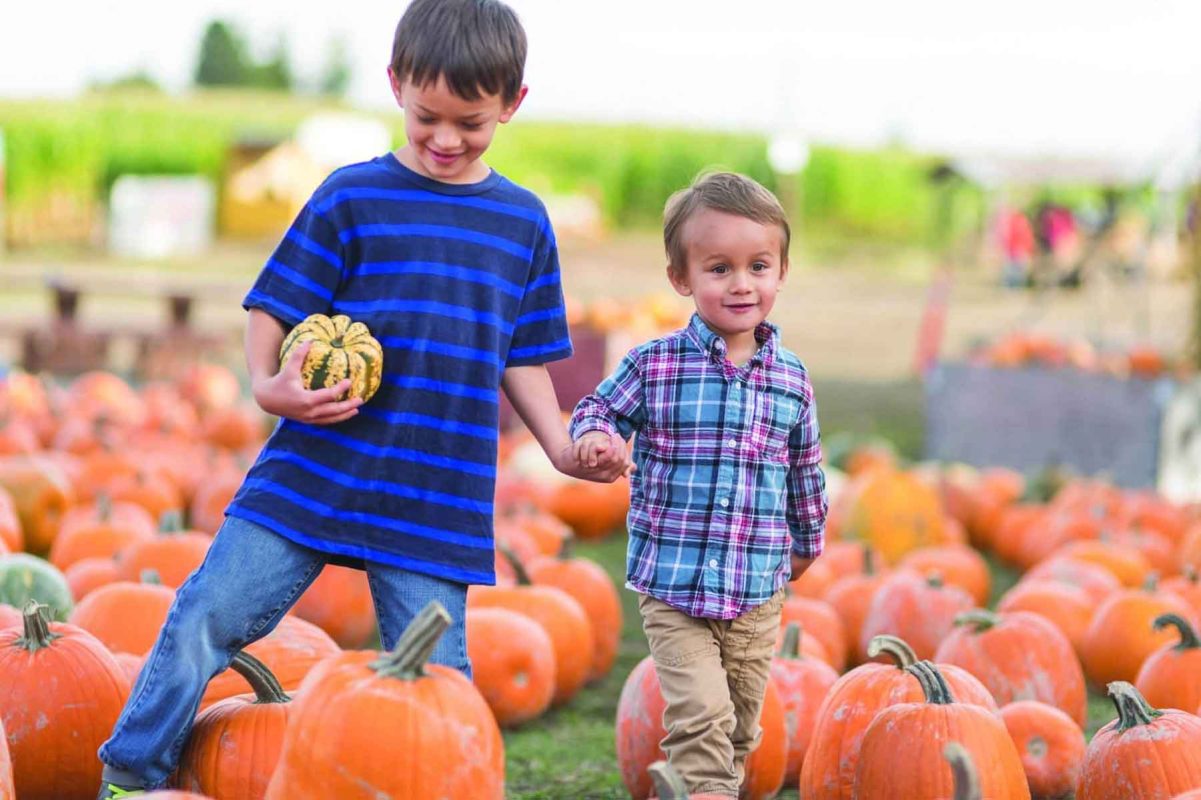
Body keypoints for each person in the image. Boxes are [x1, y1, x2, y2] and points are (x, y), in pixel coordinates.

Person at [95, 1, 629, 796]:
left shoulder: (521, 224)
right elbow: (272, 303)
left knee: (434, 681)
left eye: (470, 123)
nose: (446, 140)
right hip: (315, 471)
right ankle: (133, 774)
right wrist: (268, 385)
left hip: (435, 494)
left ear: (512, 104)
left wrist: (558, 446)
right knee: (209, 611)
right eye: (427, 117)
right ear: (396, 86)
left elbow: (524, 353)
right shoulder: (352, 196)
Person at [569, 172, 828, 797]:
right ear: (681, 279)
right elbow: (596, 409)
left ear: (781, 272)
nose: (742, 283)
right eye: (719, 268)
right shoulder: (654, 364)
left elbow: (806, 471)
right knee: (701, 721)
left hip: (757, 592)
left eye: (758, 266)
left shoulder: (791, 379)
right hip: (674, 586)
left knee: (739, 730)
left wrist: (806, 544)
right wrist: (597, 437)